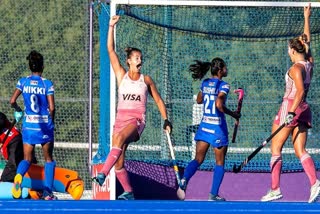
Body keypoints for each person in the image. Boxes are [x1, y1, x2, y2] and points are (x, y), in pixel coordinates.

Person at [91, 15, 172, 200]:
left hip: (136, 121)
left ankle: (102, 174)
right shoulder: (122, 75)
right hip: (120, 120)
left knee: (118, 139)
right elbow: (110, 50)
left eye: (141, 58)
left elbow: (159, 100)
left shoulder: (146, 80)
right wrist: (111, 26)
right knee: (119, 161)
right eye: (136, 57)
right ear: (128, 61)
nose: (139, 60)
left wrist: (166, 119)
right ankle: (129, 192)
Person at [261, 4, 320, 203]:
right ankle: (314, 183)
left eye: (289, 48)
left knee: (275, 148)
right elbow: (307, 41)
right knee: (299, 150)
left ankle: (275, 188)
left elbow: (300, 91)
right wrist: (306, 18)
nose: (288, 51)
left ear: (294, 50)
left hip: (292, 106)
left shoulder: (295, 68)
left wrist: (290, 112)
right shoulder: (309, 62)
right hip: (304, 109)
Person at [176, 57, 241, 201]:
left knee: (198, 159)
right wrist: (233, 114)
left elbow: (199, 100)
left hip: (204, 126)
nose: (226, 69)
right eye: (225, 67)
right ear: (220, 70)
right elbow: (219, 104)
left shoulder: (205, 83)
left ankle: (184, 180)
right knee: (219, 162)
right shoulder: (224, 85)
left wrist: (208, 93)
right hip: (217, 127)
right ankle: (213, 194)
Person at [10, 50, 56, 200]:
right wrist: (52, 122)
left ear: (30, 66)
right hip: (44, 125)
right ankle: (48, 193)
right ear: (42, 66)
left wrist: (18, 110)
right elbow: (52, 107)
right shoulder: (47, 83)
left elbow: (12, 101)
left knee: (27, 159)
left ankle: (18, 176)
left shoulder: (23, 82)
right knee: (48, 159)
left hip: (29, 126)